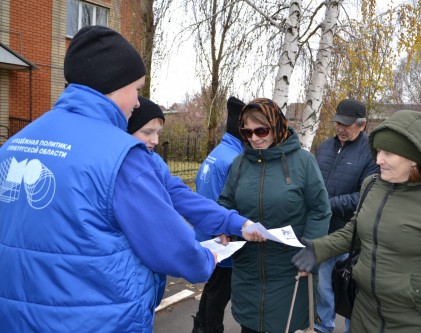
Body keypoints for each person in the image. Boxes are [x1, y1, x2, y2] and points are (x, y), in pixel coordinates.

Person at [0, 26, 262, 333]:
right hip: (96, 318)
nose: (138, 102)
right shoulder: (121, 156)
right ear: (113, 85)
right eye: (136, 89)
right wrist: (207, 257)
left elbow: (174, 192)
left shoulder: (15, 144)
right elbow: (169, 245)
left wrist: (233, 222)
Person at [293, 110, 421, 332]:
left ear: (414, 159)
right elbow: (354, 232)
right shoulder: (372, 186)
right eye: (377, 151)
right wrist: (318, 248)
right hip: (363, 315)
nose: (378, 160)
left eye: (388, 153)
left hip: (412, 322)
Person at [128, 95, 257, 309]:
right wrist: (198, 261)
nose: (156, 141)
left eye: (158, 133)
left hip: (146, 280)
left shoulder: (153, 161)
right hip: (129, 278)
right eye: (147, 132)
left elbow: (184, 196)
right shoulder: (130, 169)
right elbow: (161, 227)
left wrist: (237, 223)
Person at [217, 98, 332, 333]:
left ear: (277, 126)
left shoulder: (303, 162)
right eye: (247, 132)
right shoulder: (239, 164)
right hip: (248, 271)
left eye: (261, 130)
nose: (254, 138)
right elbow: (226, 202)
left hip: (290, 271)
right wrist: (222, 225)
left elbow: (320, 209)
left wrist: (310, 249)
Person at [314, 99, 379, 333]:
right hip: (324, 231)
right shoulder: (323, 147)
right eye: (338, 122)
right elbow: (313, 184)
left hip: (352, 235)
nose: (340, 128)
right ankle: (323, 327)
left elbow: (365, 196)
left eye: (346, 124)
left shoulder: (372, 154)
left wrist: (327, 205)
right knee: (322, 286)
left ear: (362, 125)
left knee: (351, 288)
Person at [191, 96, 246, 333]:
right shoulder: (235, 159)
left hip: (208, 232)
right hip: (224, 238)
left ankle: (201, 326)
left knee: (212, 288)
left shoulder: (219, 151)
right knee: (219, 292)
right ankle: (210, 328)